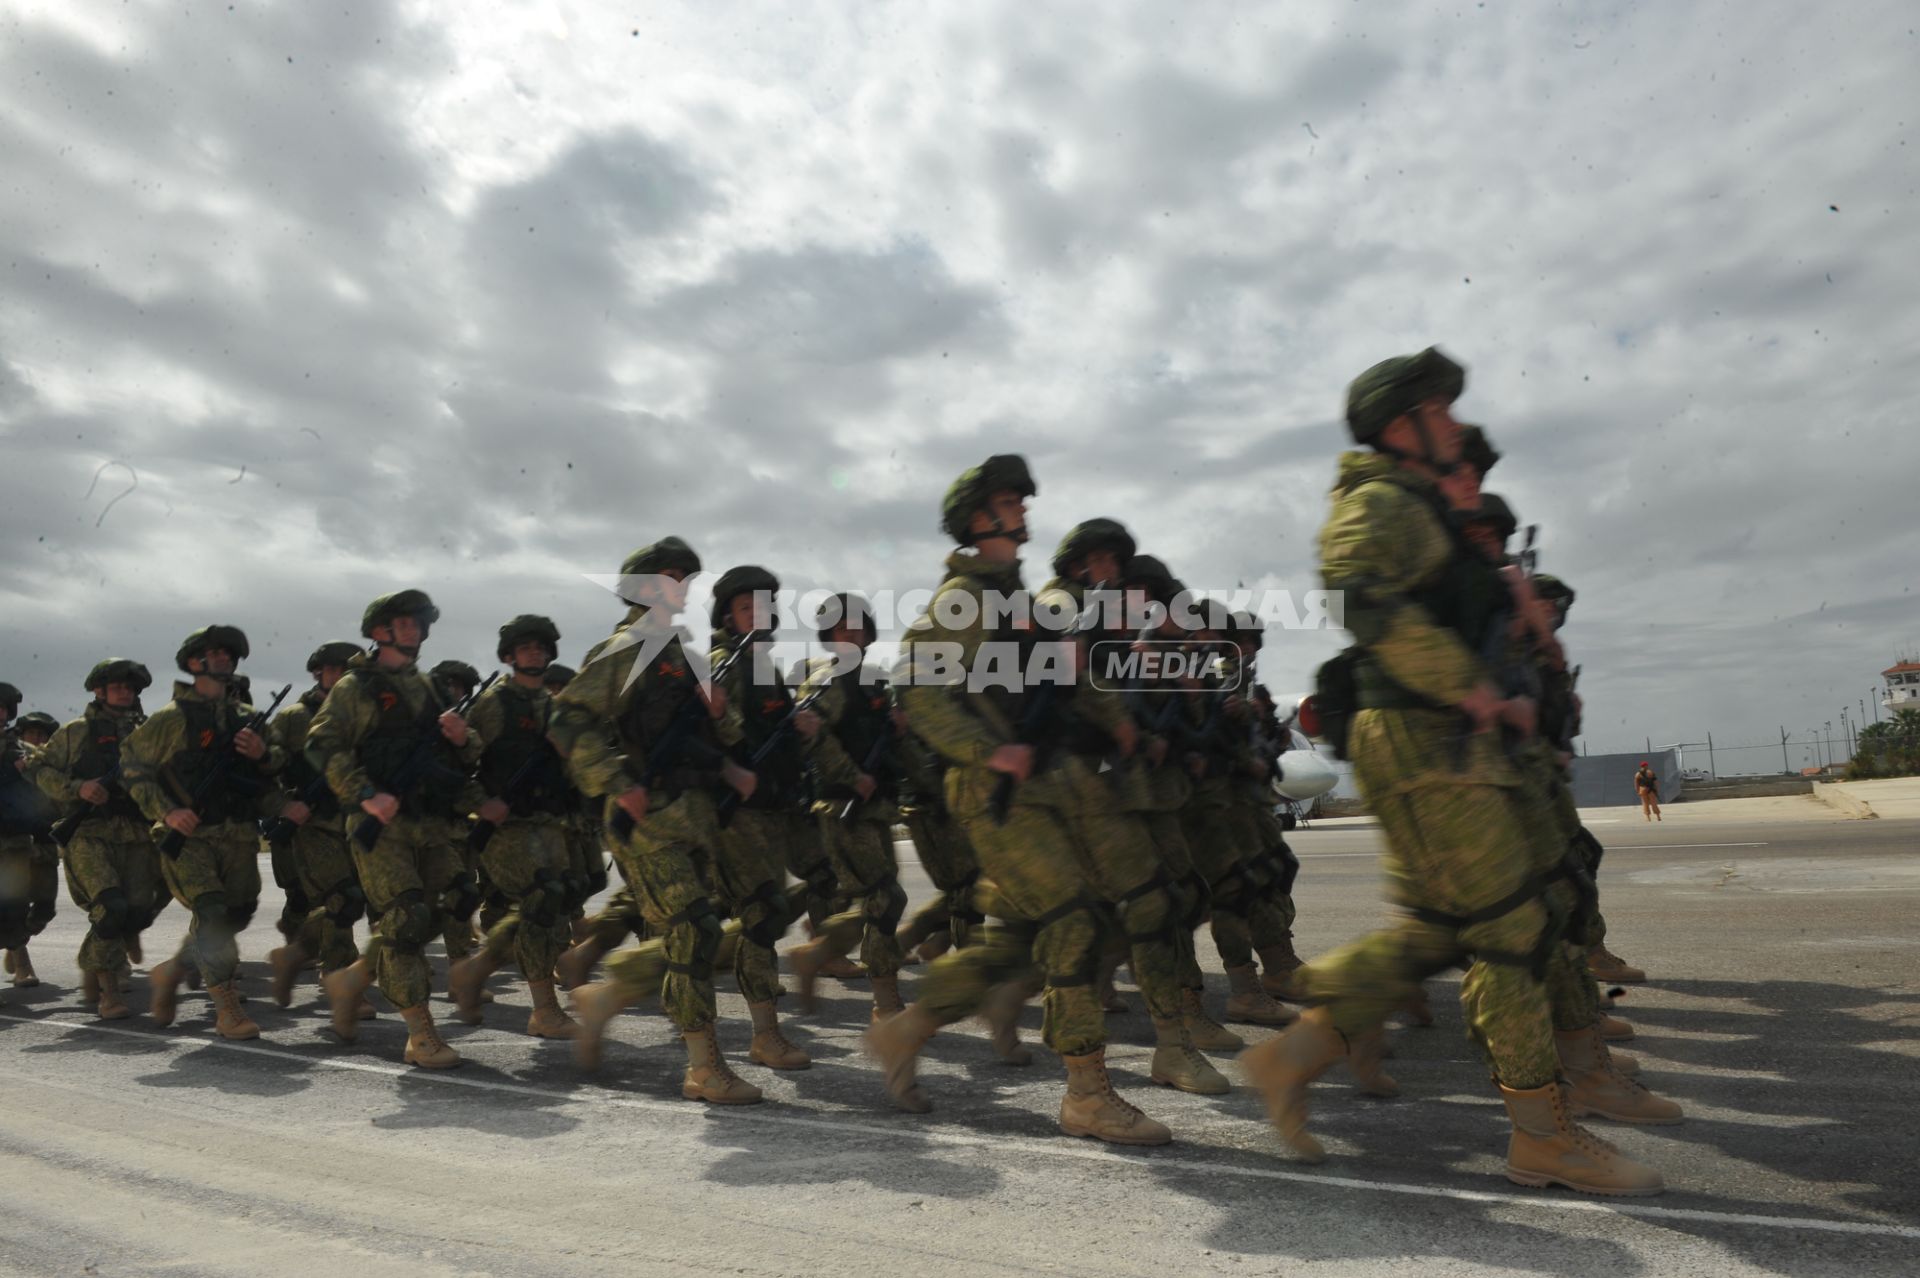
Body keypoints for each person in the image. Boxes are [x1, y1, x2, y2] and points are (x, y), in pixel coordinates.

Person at [1242, 348, 1662, 1195]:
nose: (1462, 427)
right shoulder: (1377, 504)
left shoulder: (1421, 509)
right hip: (1425, 742)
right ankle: (1542, 1135)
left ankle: (1294, 1055)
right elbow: (1352, 590)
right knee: (1509, 931)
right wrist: (1466, 682)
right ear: (1405, 426)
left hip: (1453, 744)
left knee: (1453, 928)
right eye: (1445, 411)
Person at [867, 455, 1173, 1144]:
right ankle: (1088, 1094)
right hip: (998, 788)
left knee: (1138, 898)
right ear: (981, 519)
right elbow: (916, 686)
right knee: (1071, 921)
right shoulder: (962, 601)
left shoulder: (1020, 600)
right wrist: (987, 750)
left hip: (1060, 779)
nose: (1024, 510)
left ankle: (909, 1028)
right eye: (1011, 501)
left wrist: (1119, 723)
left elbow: (1069, 676)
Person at [552, 538, 766, 1104]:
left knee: (698, 933)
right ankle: (703, 1067)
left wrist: (723, 731)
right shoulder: (625, 648)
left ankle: (609, 998)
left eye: (685, 579)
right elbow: (568, 718)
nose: (681, 588)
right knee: (694, 930)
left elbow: (711, 732)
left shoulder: (685, 655)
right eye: (669, 577)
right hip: (646, 818)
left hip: (691, 815)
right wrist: (617, 785)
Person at [306, 591, 481, 1068]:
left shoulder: (430, 688)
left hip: (428, 822)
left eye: (418, 624)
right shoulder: (354, 687)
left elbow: (462, 753)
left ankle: (354, 979)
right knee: (405, 921)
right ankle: (421, 1035)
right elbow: (321, 743)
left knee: (460, 900)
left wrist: (465, 739)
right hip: (380, 824)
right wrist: (365, 793)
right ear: (379, 631)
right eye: (403, 623)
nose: (413, 631)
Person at [122, 627, 283, 1039]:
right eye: (215, 653)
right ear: (195, 662)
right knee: (211, 914)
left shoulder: (247, 719)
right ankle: (226, 1007)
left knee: (238, 912)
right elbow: (134, 768)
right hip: (190, 838)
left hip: (238, 836)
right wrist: (167, 810)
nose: (225, 659)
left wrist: (263, 755)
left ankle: (172, 971)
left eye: (229, 654)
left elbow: (274, 768)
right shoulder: (170, 719)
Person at [447, 615, 581, 1039]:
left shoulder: (555, 708)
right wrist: (480, 805)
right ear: (509, 656)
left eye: (541, 647)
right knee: (541, 901)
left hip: (548, 824)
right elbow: (458, 762)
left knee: (550, 910)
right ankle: (544, 1009)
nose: (535, 653)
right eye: (525, 648)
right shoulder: (494, 704)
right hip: (507, 828)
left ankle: (474, 970)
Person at [33, 662, 163, 1017]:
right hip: (89, 833)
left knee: (137, 909)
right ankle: (109, 992)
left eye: (130, 687)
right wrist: (79, 788)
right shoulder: (75, 733)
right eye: (117, 686)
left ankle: (98, 962)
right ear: (99, 691)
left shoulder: (150, 732)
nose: (125, 692)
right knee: (111, 907)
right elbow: (40, 768)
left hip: (137, 834)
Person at [265, 641, 371, 1013]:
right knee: (343, 898)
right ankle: (340, 980)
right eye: (336, 669)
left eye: (352, 671)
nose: (344, 677)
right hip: (314, 825)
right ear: (318, 673)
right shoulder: (295, 717)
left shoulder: (367, 715)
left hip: (358, 822)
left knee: (358, 899)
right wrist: (284, 805)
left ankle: (294, 955)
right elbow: (265, 766)